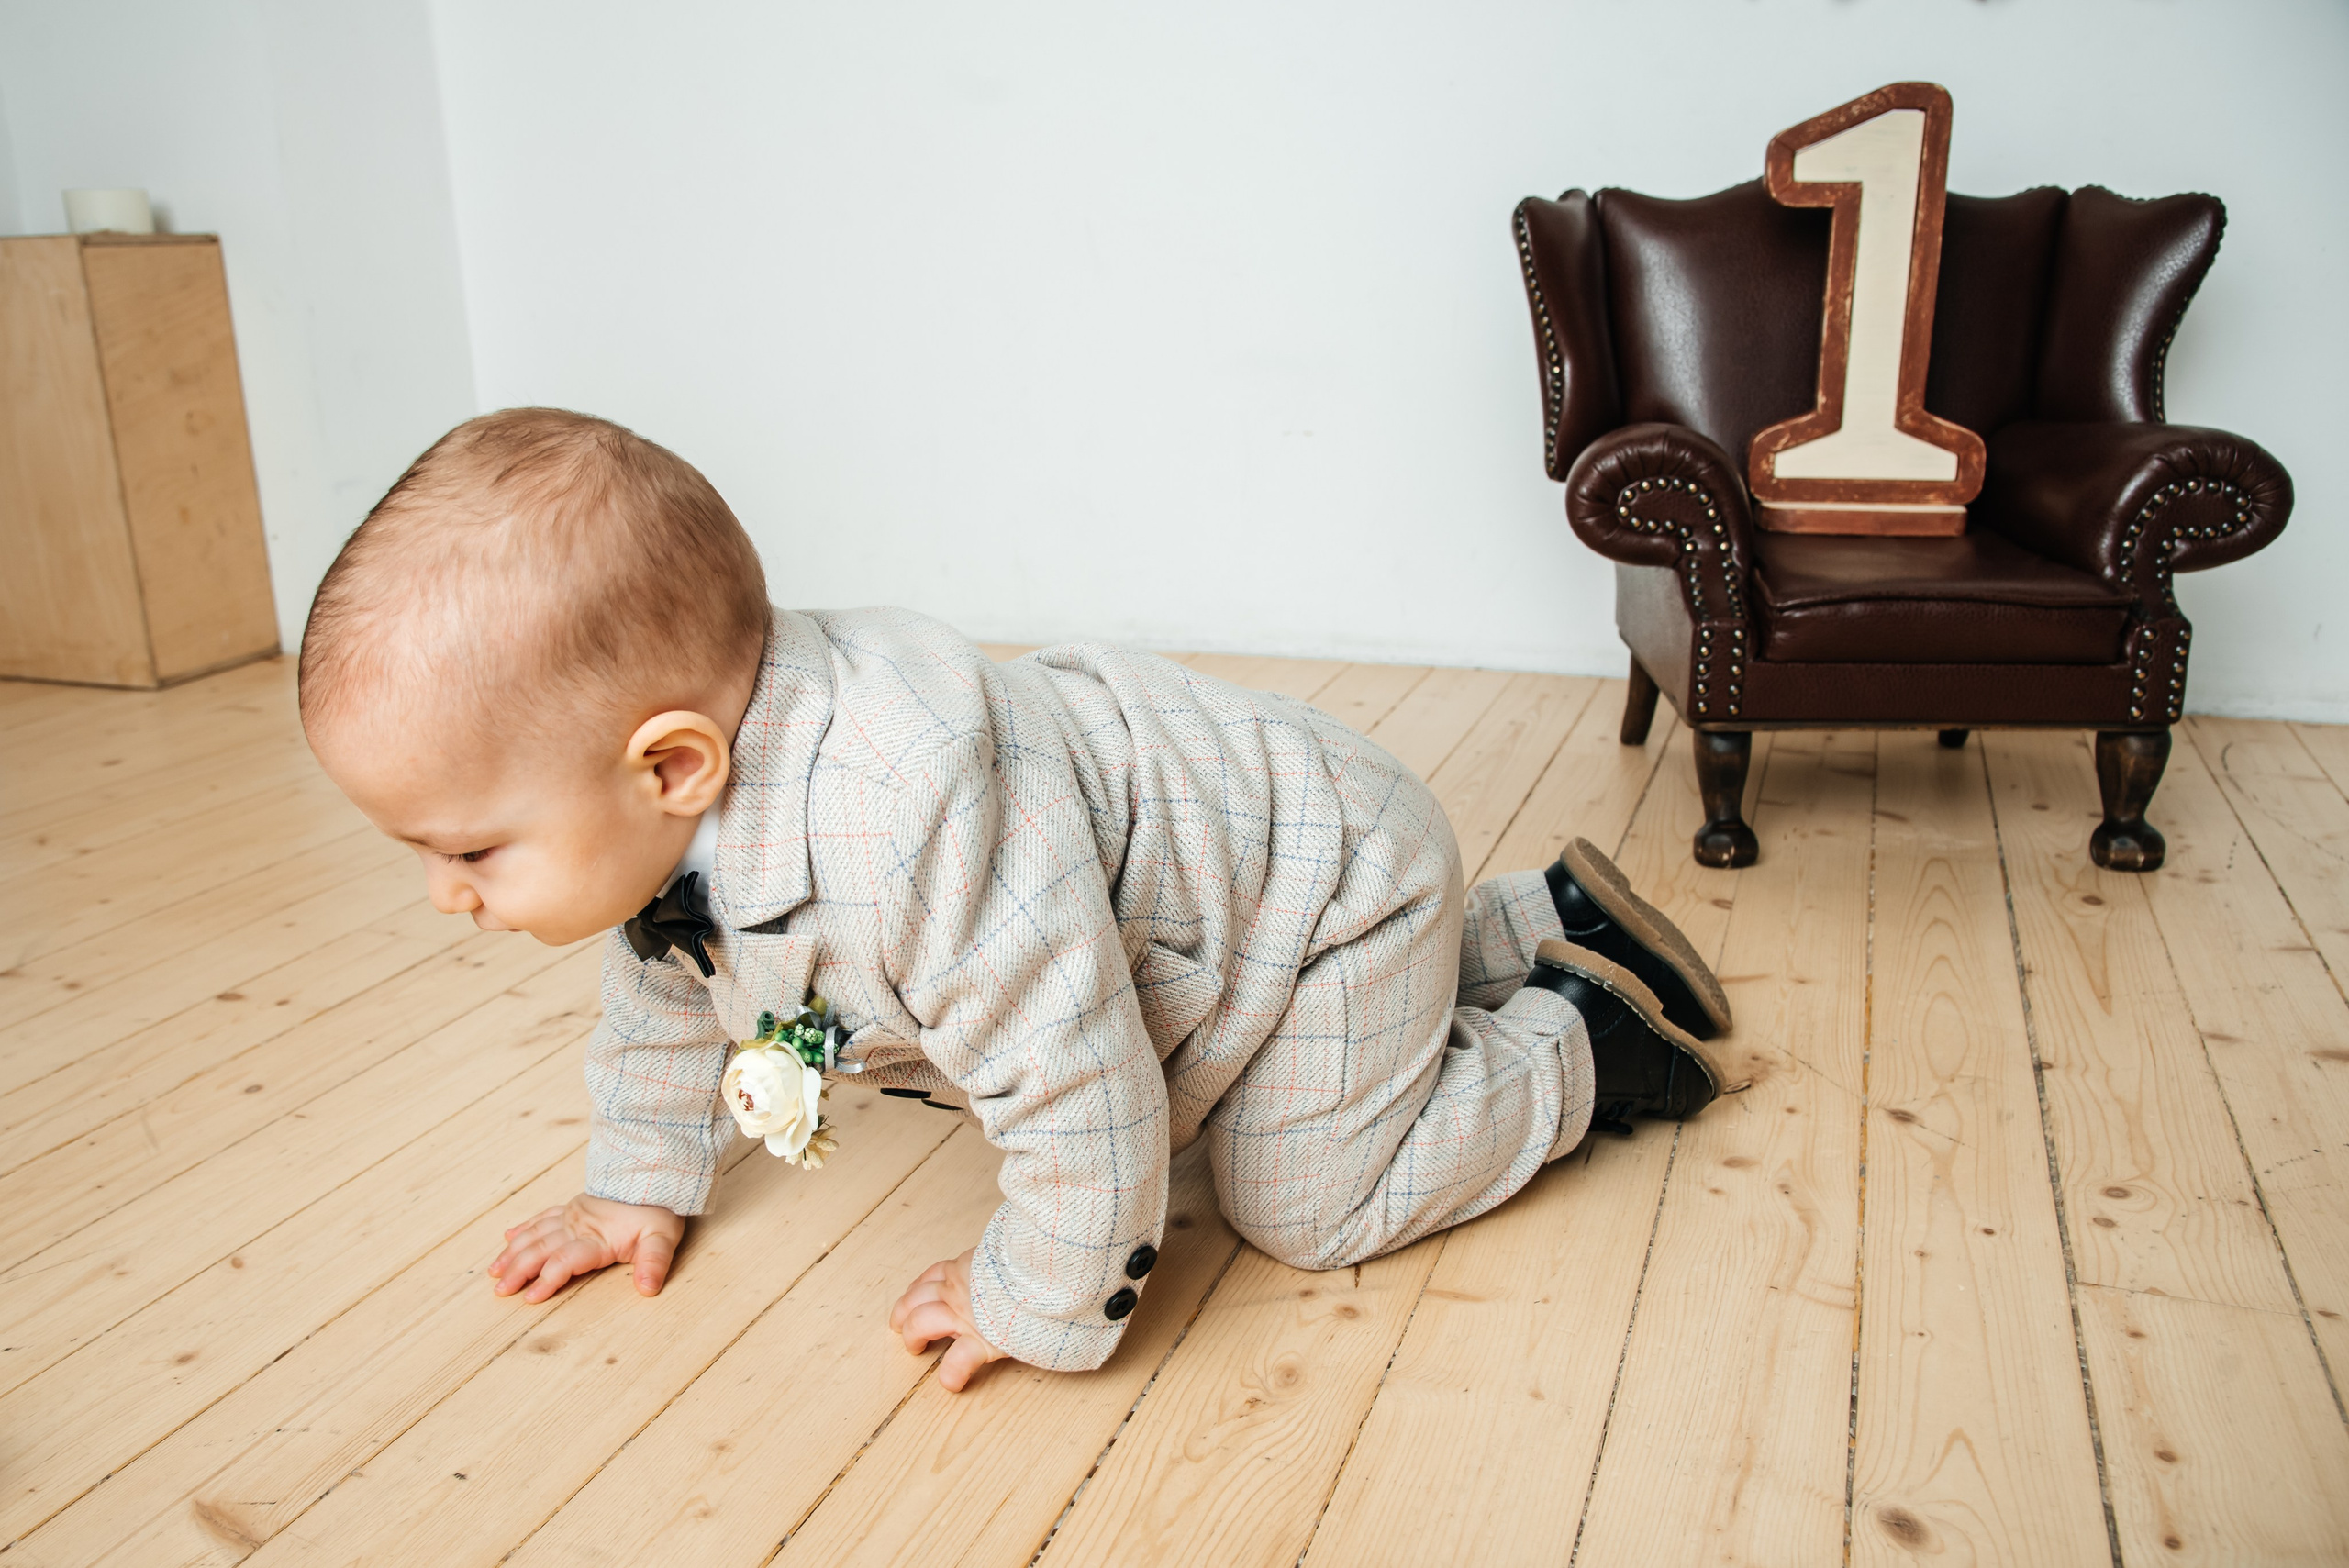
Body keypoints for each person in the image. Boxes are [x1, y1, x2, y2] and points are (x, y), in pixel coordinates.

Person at [298, 407, 1745, 1391]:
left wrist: (1037, 1296)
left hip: (1331, 887)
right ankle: (1540, 917)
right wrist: (636, 1181)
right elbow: (664, 995)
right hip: (1264, 896)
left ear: (670, 764)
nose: (443, 895)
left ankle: (1578, 1040)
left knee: (1296, 1197)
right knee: (1284, 1067)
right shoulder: (679, 805)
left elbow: (1085, 1090)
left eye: (469, 851)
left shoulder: (909, 829)